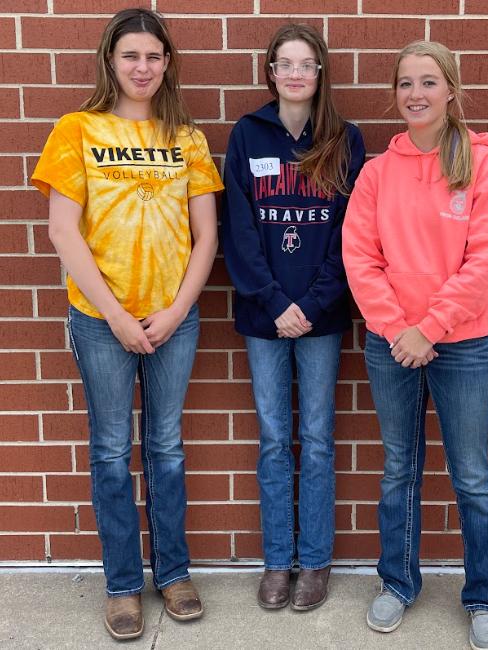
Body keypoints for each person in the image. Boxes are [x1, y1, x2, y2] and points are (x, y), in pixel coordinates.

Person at [31, 8, 223, 641]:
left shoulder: (186, 137)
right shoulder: (77, 130)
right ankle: (121, 585)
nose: (143, 68)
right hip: (100, 319)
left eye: (154, 56)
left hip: (173, 318)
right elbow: (63, 231)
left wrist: (176, 310)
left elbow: (206, 235)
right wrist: (115, 316)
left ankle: (174, 573)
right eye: (131, 56)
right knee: (112, 451)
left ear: (168, 64)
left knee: (166, 447)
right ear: (110, 61)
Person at [342, 40, 488, 650]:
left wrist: (430, 327)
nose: (415, 94)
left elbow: (486, 261)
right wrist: (397, 329)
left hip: (464, 343)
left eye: (428, 82)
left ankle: (485, 595)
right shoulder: (376, 173)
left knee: (471, 474)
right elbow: (360, 257)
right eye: (405, 83)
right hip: (392, 344)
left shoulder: (481, 165)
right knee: (399, 468)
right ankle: (398, 583)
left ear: (451, 91)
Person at [222, 24, 365, 611]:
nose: (296, 74)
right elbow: (238, 229)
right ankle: (278, 561)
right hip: (265, 316)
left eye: (306, 64)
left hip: (320, 316)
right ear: (271, 73)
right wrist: (275, 302)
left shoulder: (344, 139)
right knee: (275, 439)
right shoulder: (247, 134)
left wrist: (311, 304)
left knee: (318, 439)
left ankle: (316, 562)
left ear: (320, 72)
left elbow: (351, 233)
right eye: (286, 64)